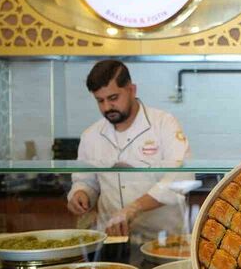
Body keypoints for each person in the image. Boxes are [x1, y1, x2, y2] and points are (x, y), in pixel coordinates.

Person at [67, 60, 194, 241]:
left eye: (113, 98)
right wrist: (81, 194)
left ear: (132, 90)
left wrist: (134, 208)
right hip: (111, 240)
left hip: (163, 240)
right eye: (100, 101)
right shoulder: (91, 135)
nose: (106, 107)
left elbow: (181, 177)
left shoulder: (164, 123)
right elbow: (86, 181)